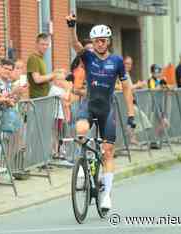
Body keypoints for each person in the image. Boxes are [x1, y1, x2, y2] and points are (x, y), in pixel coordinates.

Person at [66, 14, 136, 211]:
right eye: (96, 40)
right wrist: (71, 27)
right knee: (80, 130)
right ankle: (81, 167)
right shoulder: (88, 57)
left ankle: (106, 195)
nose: (99, 44)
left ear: (108, 41)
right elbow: (76, 45)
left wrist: (131, 114)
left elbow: (127, 88)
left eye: (103, 40)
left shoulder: (117, 61)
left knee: (107, 152)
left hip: (107, 108)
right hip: (89, 104)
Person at [27, 33, 58, 99]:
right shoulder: (33, 58)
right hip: (38, 99)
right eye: (42, 44)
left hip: (44, 97)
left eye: (47, 44)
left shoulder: (41, 58)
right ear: (36, 44)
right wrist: (53, 75)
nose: (45, 47)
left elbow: (42, 79)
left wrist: (54, 76)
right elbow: (37, 79)